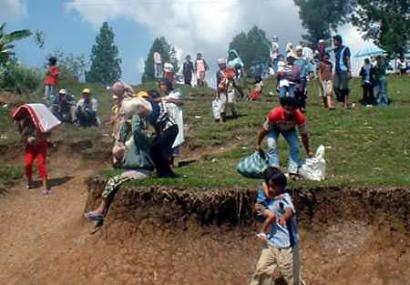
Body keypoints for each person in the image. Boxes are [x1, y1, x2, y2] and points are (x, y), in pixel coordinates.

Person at [84, 98, 154, 222]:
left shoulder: (142, 135)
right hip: (136, 169)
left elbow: (136, 131)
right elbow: (121, 139)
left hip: (142, 170)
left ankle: (101, 210)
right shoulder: (137, 136)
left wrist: (135, 118)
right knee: (114, 180)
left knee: (113, 181)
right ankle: (101, 210)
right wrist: (125, 125)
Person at [250, 167, 304, 285]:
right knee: (262, 271)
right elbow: (262, 212)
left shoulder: (284, 197)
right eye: (269, 186)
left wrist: (284, 217)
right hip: (271, 243)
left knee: (292, 278)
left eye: (274, 186)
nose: (270, 189)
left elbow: (289, 210)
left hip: (285, 245)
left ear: (281, 186)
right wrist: (259, 209)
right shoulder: (269, 198)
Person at [256, 97, 313, 176]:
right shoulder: (274, 114)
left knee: (295, 145)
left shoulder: (299, 117)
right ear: (283, 107)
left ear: (295, 109)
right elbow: (264, 130)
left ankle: (293, 170)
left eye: (292, 109)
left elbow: (304, 135)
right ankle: (274, 169)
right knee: (271, 145)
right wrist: (258, 144)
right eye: (287, 109)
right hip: (274, 128)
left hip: (289, 129)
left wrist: (308, 150)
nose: (289, 112)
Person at [147, 90, 179, 177]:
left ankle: (166, 172)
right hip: (166, 130)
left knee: (161, 150)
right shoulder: (150, 108)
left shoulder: (161, 103)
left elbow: (165, 112)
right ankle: (161, 171)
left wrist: (157, 121)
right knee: (154, 149)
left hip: (171, 128)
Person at [17, 115, 50, 195]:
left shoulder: (43, 122)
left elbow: (46, 135)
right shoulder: (25, 123)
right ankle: (29, 181)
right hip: (30, 147)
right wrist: (27, 138)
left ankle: (45, 187)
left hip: (41, 145)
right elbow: (23, 137)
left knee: (41, 164)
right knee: (28, 163)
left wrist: (37, 139)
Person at [159, 78, 184, 168]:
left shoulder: (176, 92)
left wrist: (170, 100)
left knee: (176, 138)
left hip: (176, 119)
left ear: (168, 85)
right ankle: (169, 160)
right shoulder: (163, 98)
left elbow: (181, 102)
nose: (162, 87)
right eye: (160, 85)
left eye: (163, 85)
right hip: (167, 121)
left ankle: (175, 159)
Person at [333, 35, 351, 109]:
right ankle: (342, 100)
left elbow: (348, 59)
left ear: (338, 41)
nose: (333, 42)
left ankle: (346, 103)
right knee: (335, 87)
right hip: (337, 70)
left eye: (334, 40)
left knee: (344, 87)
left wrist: (349, 70)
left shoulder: (345, 48)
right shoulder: (335, 50)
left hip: (344, 70)